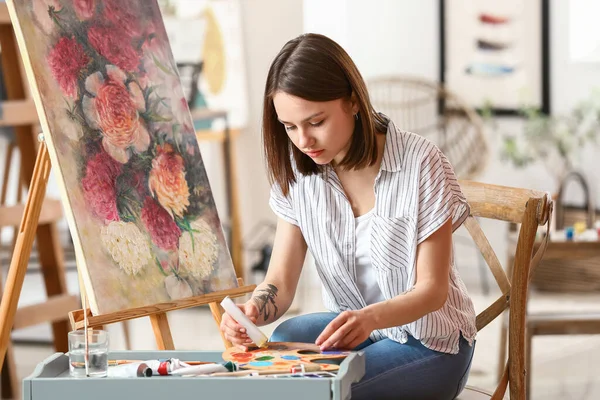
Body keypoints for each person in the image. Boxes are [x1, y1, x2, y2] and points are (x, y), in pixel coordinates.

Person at [220, 33, 477, 400]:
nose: (304, 140)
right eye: (290, 127)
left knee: (326, 387)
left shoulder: (420, 162)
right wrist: (253, 312)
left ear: (353, 101)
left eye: (316, 121)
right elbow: (280, 280)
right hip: (358, 330)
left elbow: (432, 292)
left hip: (430, 342)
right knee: (283, 339)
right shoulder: (300, 175)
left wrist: (370, 318)